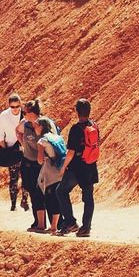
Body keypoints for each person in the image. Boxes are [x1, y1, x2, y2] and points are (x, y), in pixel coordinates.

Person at [61, 98, 100, 237]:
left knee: (61, 191)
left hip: (76, 168)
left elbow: (70, 152)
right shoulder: (94, 125)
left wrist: (63, 167)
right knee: (88, 197)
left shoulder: (75, 129)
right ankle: (86, 228)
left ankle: (71, 222)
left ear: (77, 112)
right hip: (90, 165)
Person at [36, 117, 77, 236]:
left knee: (49, 198)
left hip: (50, 171)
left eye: (37, 126)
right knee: (56, 197)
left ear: (42, 127)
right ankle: (57, 226)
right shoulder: (58, 137)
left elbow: (39, 160)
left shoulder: (42, 140)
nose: (35, 129)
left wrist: (44, 158)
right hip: (61, 168)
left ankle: (52, 227)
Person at [18, 100, 48, 234]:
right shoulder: (25, 124)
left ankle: (42, 223)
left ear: (32, 113)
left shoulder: (42, 124)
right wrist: (23, 143)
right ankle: (37, 221)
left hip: (39, 164)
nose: (23, 114)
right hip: (27, 162)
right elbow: (17, 131)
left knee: (39, 193)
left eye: (25, 112)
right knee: (31, 191)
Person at [0, 92, 27, 212]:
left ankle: (25, 201)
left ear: (20, 105)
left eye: (17, 106)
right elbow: (0, 134)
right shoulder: (4, 116)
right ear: (9, 106)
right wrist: (5, 150)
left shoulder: (25, 114)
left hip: (24, 150)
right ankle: (13, 204)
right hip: (11, 150)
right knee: (13, 178)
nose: (15, 109)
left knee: (26, 176)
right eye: (12, 107)